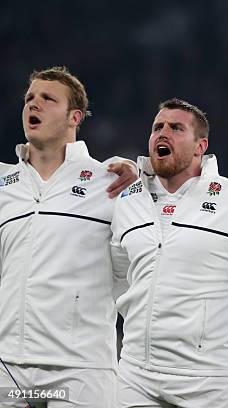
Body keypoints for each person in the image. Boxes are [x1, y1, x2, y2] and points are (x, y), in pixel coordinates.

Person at [109, 98, 228, 407]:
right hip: (136, 374)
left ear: (201, 146)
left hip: (211, 380)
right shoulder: (127, 202)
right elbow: (121, 273)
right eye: (157, 127)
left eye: (176, 128)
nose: (163, 133)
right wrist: (139, 311)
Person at [0, 66, 137, 407]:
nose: (34, 104)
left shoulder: (111, 181)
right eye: (30, 98)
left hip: (80, 367)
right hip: (7, 365)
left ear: (75, 117)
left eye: (48, 98)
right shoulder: (3, 184)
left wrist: (143, 177)